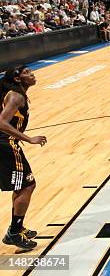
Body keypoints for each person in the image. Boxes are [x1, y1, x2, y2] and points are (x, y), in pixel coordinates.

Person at [0, 66, 47, 250]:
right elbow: (2, 123)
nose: (32, 74)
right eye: (27, 72)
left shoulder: (16, 94)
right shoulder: (16, 96)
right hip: (6, 144)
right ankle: (14, 232)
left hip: (7, 144)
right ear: (18, 79)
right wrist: (29, 139)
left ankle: (15, 228)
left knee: (22, 186)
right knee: (28, 185)